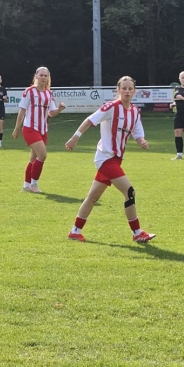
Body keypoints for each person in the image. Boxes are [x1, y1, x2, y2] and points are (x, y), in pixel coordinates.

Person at [64, 76, 155, 244]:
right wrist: (75, 137)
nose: (127, 91)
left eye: (130, 88)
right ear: (118, 90)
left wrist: (142, 141)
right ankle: (137, 233)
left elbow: (137, 132)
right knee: (130, 192)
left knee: (92, 197)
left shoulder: (135, 111)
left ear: (134, 91)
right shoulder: (111, 107)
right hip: (106, 158)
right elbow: (90, 120)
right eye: (124, 88)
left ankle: (75, 231)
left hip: (116, 159)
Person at [12, 66, 66, 190]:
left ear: (48, 78)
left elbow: (51, 113)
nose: (43, 77)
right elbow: (22, 110)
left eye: (45, 76)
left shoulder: (48, 93)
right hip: (30, 128)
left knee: (33, 158)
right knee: (42, 155)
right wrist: (17, 128)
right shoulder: (29, 91)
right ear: (36, 76)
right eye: (41, 75)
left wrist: (59, 109)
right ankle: (34, 184)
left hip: (43, 130)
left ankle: (26, 185)